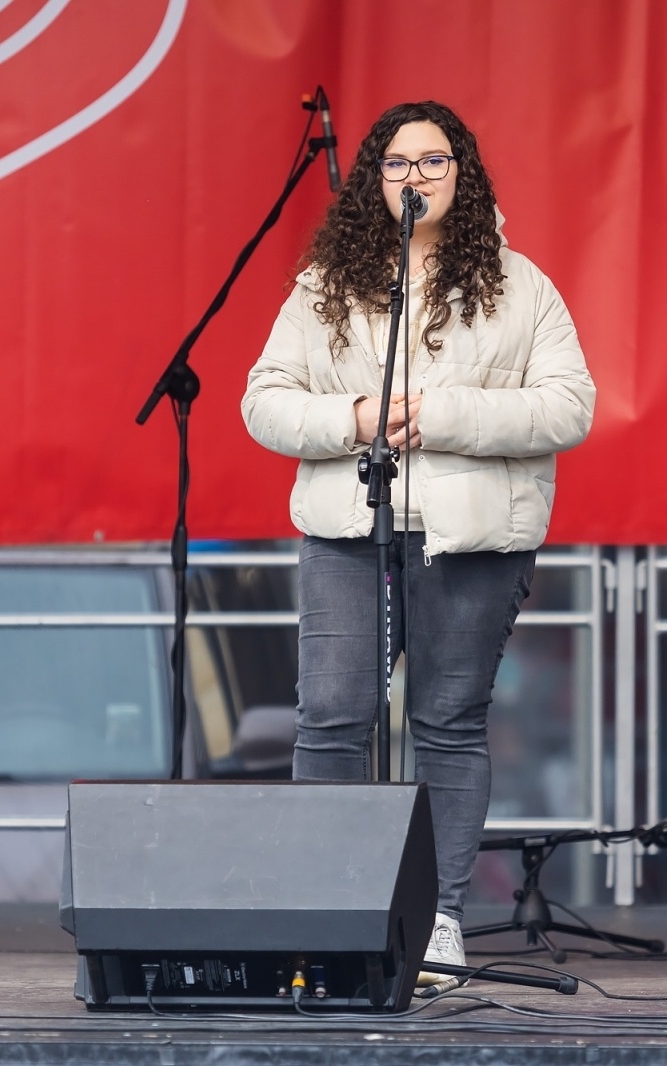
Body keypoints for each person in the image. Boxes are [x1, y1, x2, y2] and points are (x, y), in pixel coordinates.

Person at [241, 101, 595, 980]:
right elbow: (262, 400)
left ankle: (438, 915)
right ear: (376, 181)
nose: (415, 178)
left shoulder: (522, 286)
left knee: (446, 722)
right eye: (398, 165)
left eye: (433, 163)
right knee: (330, 719)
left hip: (470, 539)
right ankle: (323, 910)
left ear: (462, 175)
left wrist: (443, 418)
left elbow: (569, 406)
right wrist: (357, 417)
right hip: (352, 528)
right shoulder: (328, 283)